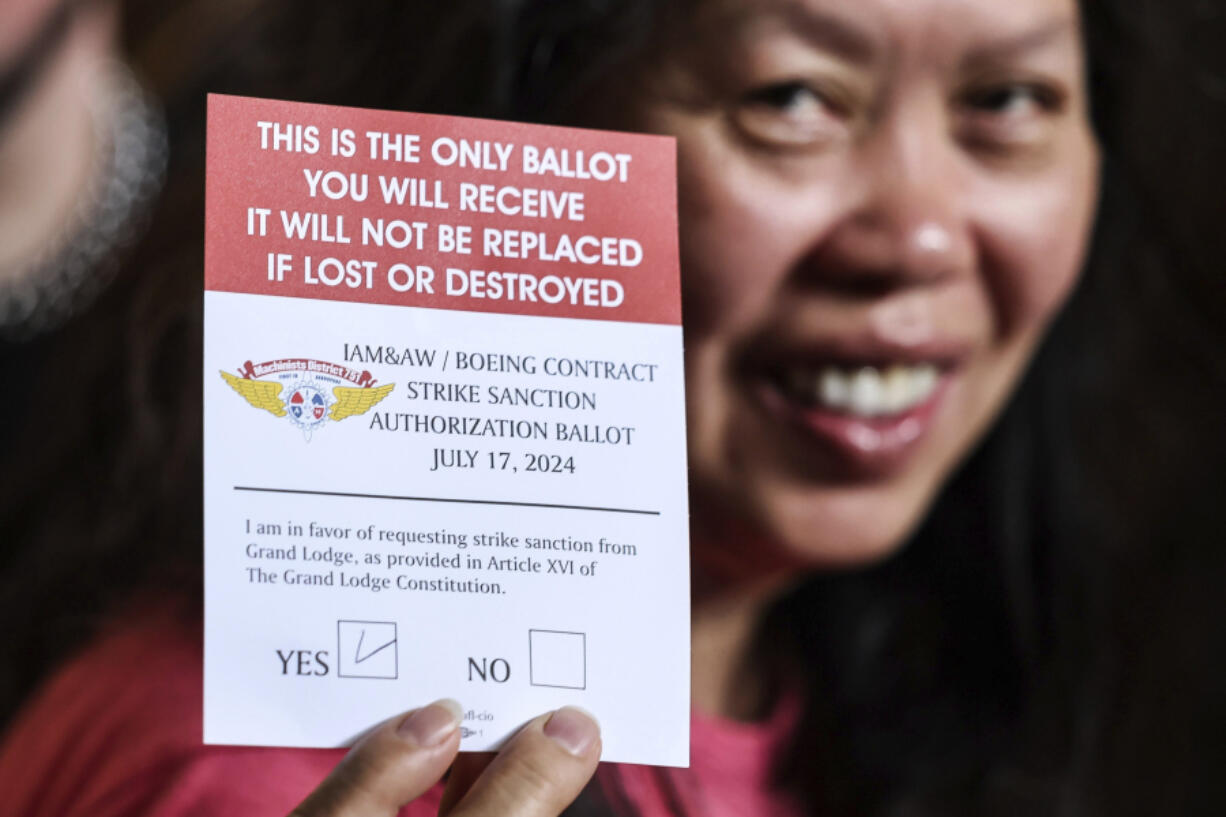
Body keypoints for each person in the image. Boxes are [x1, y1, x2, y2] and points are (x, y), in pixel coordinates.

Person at [2, 0, 1225, 815]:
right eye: (791, 99)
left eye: (1008, 103)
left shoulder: (933, 677)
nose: (913, 234)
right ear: (521, 143)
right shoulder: (247, 770)